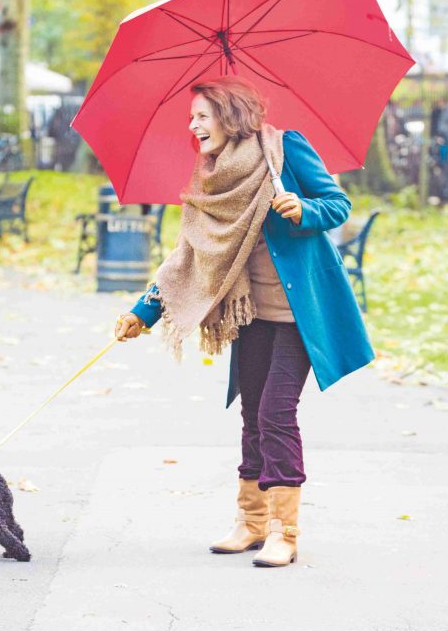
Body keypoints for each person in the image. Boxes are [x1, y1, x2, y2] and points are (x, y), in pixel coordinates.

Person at [113, 76, 374, 568]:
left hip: (299, 313)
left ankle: (285, 532)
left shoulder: (284, 149)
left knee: (276, 413)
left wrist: (305, 208)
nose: (193, 126)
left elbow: (338, 204)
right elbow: (189, 256)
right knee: (252, 413)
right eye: (191, 118)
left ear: (229, 115)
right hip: (249, 314)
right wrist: (142, 313)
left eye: (201, 116)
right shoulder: (210, 177)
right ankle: (251, 523)